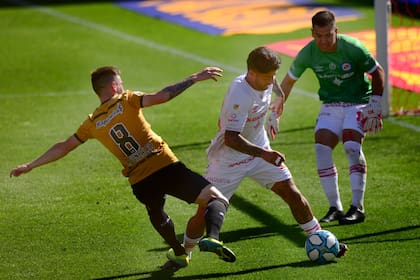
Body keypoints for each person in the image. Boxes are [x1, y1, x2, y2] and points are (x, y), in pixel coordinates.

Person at [9, 66, 236, 270]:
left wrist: (31, 165)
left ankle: (179, 253)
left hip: (140, 181)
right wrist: (194, 78)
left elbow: (64, 147)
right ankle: (213, 237)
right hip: (166, 166)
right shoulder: (127, 99)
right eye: (120, 82)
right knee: (216, 199)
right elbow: (162, 96)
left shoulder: (92, 122)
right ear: (114, 86)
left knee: (155, 212)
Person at [181, 46, 348, 259]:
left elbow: (275, 86)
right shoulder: (240, 95)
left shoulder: (265, 80)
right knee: (204, 212)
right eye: (268, 77)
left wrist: (279, 103)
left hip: (259, 149)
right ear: (252, 73)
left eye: (274, 75)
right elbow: (231, 139)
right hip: (228, 159)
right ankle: (183, 252)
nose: (272, 80)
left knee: (292, 193)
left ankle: (321, 240)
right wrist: (264, 154)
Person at [276, 10, 385, 225]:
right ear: (312, 33)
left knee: (352, 146)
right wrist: (275, 109)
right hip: (331, 105)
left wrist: (375, 105)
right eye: (318, 36)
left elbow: (378, 72)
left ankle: (358, 207)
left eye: (328, 35)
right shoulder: (308, 52)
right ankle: (335, 207)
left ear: (336, 31)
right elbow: (288, 82)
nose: (323, 40)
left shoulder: (353, 48)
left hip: (358, 102)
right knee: (321, 148)